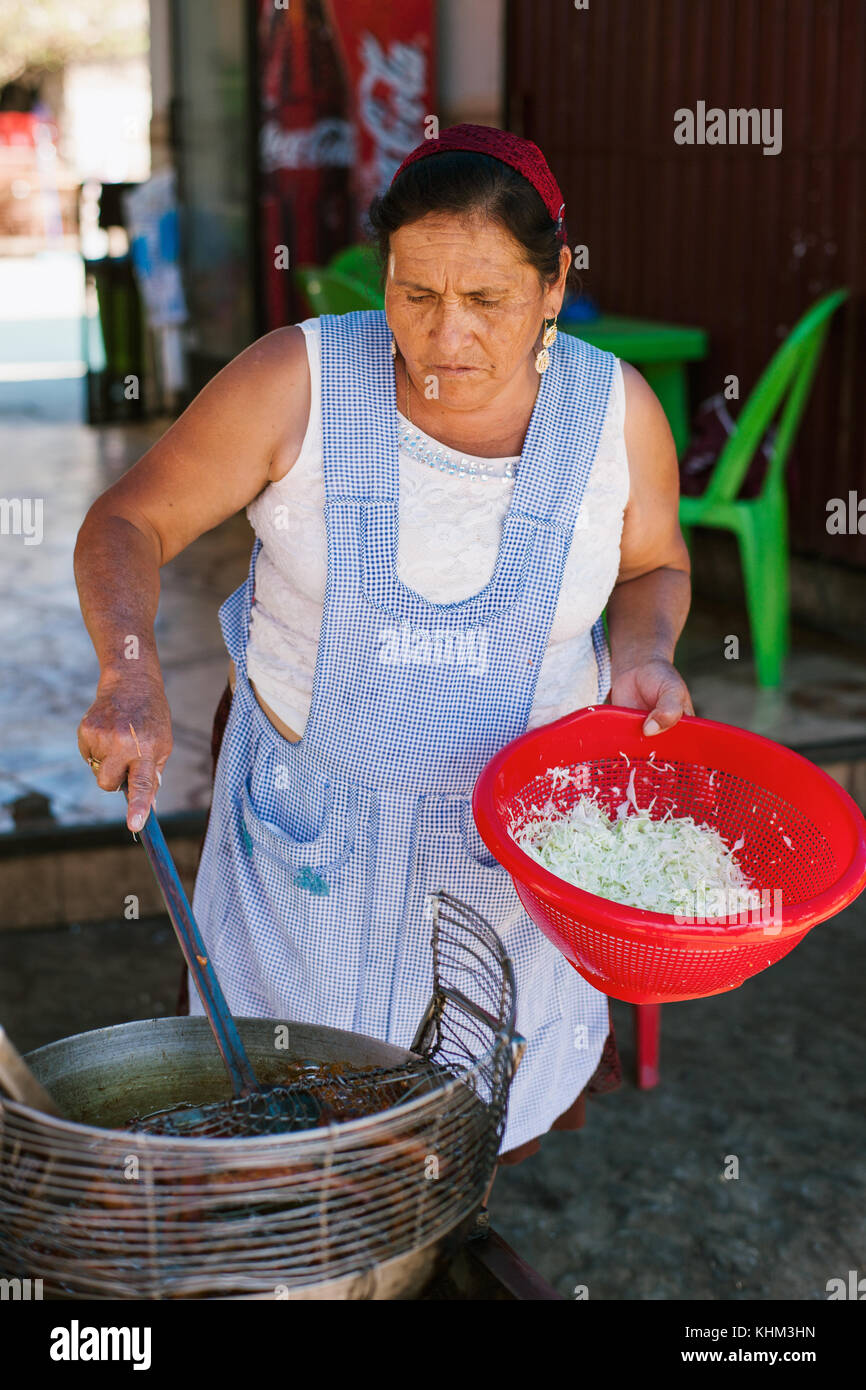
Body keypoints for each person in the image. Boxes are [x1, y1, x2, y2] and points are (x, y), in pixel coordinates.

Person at [75, 124, 693, 1168]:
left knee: (472, 1132)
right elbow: (127, 523)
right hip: (308, 849)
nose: (444, 334)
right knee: (280, 1122)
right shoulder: (299, 382)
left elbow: (651, 566)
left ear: (555, 282)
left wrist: (643, 654)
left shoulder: (612, 417)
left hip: (509, 861)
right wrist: (129, 664)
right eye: (414, 293)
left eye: (487, 299)